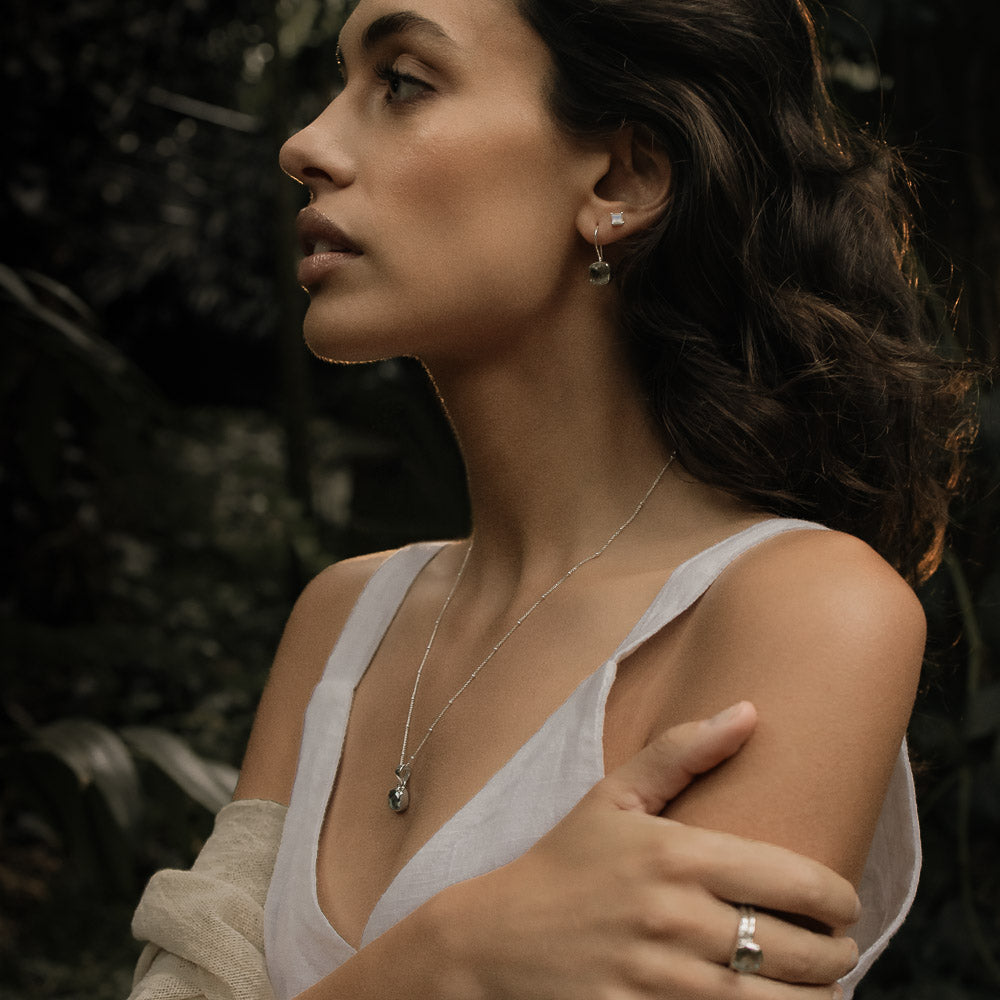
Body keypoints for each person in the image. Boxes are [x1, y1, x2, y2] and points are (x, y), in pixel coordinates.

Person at [128, 0, 974, 998]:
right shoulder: (342, 622)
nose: (304, 144)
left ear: (620, 177)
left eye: (401, 81)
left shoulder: (798, 610)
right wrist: (458, 953)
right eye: (340, 83)